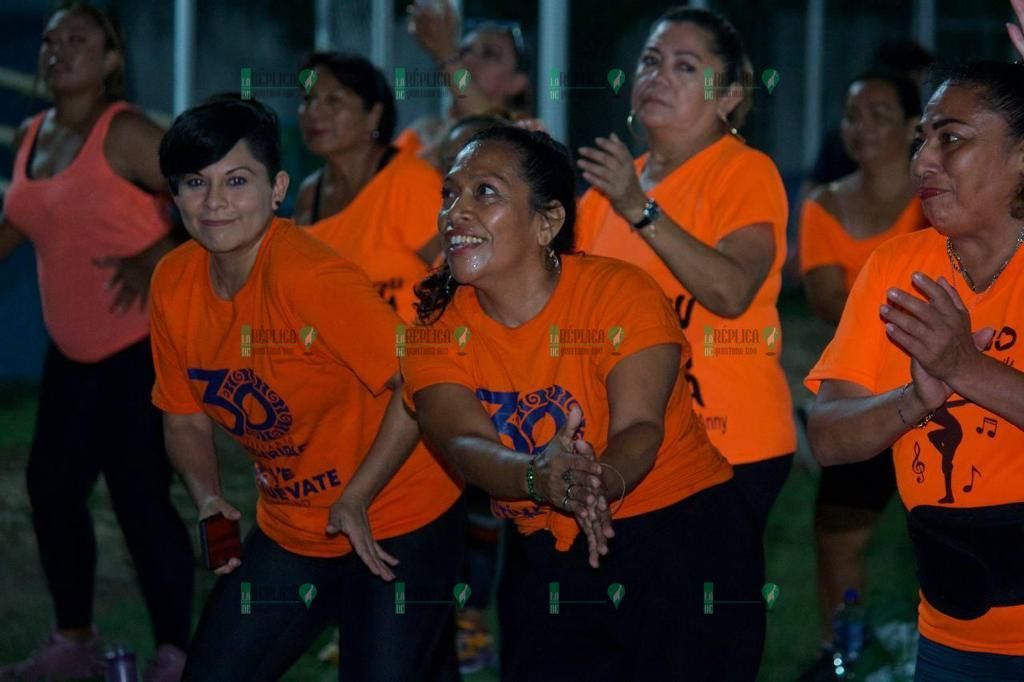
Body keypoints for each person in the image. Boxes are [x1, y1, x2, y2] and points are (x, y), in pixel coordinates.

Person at [403, 125, 766, 680]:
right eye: (450, 194)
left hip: (678, 540)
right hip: (545, 547)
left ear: (547, 222)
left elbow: (640, 426)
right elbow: (462, 442)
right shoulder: (435, 326)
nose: (456, 212)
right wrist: (538, 478)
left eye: (485, 193)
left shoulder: (620, 293)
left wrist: (589, 484)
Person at [152, 98, 463, 681]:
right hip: (295, 527)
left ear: (277, 189)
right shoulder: (173, 283)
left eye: (237, 180)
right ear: (175, 196)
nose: (215, 202)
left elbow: (422, 382)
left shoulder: (313, 280)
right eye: (196, 182)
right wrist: (209, 499)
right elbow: (183, 416)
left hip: (399, 513)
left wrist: (358, 495)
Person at [806, 60, 1024, 680]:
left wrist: (964, 367)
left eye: (951, 138)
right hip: (948, 628)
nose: (924, 160)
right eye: (922, 138)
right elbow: (827, 437)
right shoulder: (896, 267)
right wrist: (912, 399)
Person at [0, 4, 192, 680]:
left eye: (77, 39)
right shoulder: (30, 135)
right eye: (50, 41)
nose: (57, 51)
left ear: (111, 59)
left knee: (140, 500)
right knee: (51, 492)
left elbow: (210, 194)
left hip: (139, 348)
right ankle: (74, 642)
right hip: (71, 352)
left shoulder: (129, 132)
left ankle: (175, 653)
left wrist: (159, 249)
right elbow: (18, 225)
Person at [575, 6, 794, 534]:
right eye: (650, 61)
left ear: (729, 96)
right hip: (631, 443)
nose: (658, 76)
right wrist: (524, 178)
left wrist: (641, 211)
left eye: (685, 67)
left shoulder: (743, 172)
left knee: (698, 613)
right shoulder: (609, 189)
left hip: (727, 444)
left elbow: (731, 289)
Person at [796, 70, 929, 681]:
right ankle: (844, 650)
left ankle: (933, 644)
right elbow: (826, 302)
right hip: (863, 398)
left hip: (943, 396)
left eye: (879, 114)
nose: (863, 127)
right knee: (839, 535)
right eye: (853, 115)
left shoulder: (939, 202)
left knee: (939, 530)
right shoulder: (822, 204)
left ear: (911, 128)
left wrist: (870, 292)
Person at [295, 52, 442, 322]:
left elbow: (458, 276)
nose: (315, 112)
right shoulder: (309, 194)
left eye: (334, 100)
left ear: (373, 115)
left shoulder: (409, 180)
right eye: (308, 99)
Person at [402, 1, 531, 167]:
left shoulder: (515, 144)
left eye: (489, 54)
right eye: (465, 51)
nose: (468, 59)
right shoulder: (424, 129)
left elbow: (484, 121)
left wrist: (446, 53)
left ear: (517, 83)